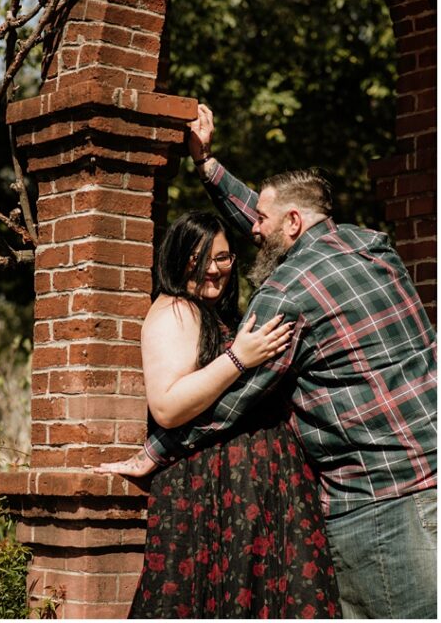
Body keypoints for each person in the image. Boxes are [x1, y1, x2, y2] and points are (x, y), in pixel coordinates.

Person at [116, 104, 437, 619]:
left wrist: (155, 450)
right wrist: (209, 167)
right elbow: (269, 224)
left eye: (260, 221)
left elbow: (234, 398)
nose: (252, 232)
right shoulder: (370, 247)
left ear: (292, 222)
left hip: (379, 504)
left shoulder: (289, 291)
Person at [97, 211, 340, 618]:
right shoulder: (174, 310)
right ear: (177, 259)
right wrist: (238, 358)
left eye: (223, 258)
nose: (213, 269)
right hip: (209, 492)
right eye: (199, 258)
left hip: (258, 490)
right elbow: (168, 406)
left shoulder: (218, 315)